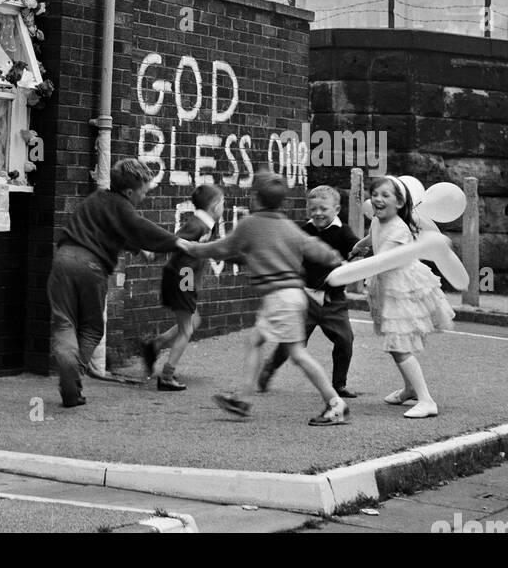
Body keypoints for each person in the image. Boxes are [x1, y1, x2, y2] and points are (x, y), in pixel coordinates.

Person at [181, 172, 350, 427]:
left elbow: (223, 248)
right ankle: (243, 399)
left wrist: (191, 247)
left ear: (255, 198)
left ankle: (335, 403)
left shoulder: (251, 224)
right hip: (291, 296)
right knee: (255, 340)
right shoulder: (287, 225)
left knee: (297, 354)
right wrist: (335, 258)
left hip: (280, 298)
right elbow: (316, 248)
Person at [46, 157, 183, 409]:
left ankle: (67, 363)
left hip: (63, 260)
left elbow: (113, 229)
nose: (144, 196)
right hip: (91, 267)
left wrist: (139, 250)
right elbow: (138, 226)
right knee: (91, 327)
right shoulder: (124, 207)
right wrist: (177, 242)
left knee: (64, 321)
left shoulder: (96, 200)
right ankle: (73, 374)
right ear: (130, 191)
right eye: (143, 191)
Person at [362, 175, 455, 418]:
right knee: (395, 346)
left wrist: (346, 269)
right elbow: (374, 237)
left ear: (400, 203)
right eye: (375, 194)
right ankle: (410, 389)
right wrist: (361, 244)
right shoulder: (378, 219)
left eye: (385, 195)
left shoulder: (400, 230)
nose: (378, 199)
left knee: (399, 345)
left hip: (402, 291)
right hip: (387, 286)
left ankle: (427, 400)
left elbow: (382, 260)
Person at [258, 184, 359, 398]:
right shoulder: (303, 231)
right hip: (306, 297)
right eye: (313, 209)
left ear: (337, 210)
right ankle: (270, 368)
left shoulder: (344, 232)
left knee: (345, 340)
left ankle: (339, 384)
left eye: (323, 209)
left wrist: (359, 255)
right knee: (291, 341)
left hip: (334, 299)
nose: (318, 213)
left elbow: (355, 250)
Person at [139, 184, 225, 391]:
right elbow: (174, 240)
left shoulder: (206, 224)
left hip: (183, 277)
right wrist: (153, 254)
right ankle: (167, 376)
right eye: (222, 203)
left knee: (193, 320)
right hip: (183, 278)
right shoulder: (197, 225)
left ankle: (155, 345)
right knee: (187, 328)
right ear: (214, 205)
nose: (224, 206)